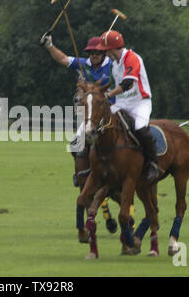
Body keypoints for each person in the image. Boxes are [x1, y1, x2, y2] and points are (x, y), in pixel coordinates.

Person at [41, 33, 126, 233]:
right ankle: (82, 173)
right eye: (91, 52)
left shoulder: (113, 65)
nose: (94, 56)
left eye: (97, 52)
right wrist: (49, 45)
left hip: (113, 108)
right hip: (92, 113)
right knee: (75, 143)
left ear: (103, 52)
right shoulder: (83, 64)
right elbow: (62, 58)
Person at [96, 30, 160, 181]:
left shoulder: (132, 58)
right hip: (122, 103)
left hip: (140, 102)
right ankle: (99, 162)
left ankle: (153, 164)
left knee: (140, 129)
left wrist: (108, 95)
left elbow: (127, 83)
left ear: (112, 48)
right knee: (100, 123)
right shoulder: (114, 64)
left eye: (105, 50)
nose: (105, 53)